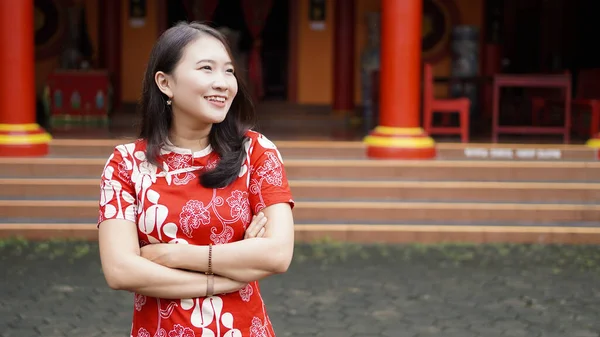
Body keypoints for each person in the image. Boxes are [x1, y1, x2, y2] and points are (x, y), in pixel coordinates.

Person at [97, 21, 295, 337]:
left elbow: (278, 254)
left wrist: (173, 255)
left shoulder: (256, 152)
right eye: (206, 68)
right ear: (165, 83)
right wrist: (225, 277)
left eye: (228, 71)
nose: (223, 83)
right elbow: (120, 270)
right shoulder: (126, 163)